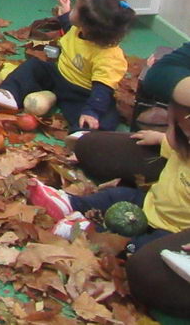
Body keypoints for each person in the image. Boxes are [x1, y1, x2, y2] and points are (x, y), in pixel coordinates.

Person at [67, 76, 190, 318]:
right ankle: (70, 204)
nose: (171, 136)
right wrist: (163, 139)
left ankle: (98, 238)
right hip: (151, 202)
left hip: (173, 229)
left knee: (139, 255)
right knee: (114, 194)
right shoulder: (179, 144)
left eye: (180, 132)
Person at [0, 0, 135, 132]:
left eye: (75, 9)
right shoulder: (79, 30)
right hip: (57, 74)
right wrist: (65, 14)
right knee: (35, 65)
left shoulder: (109, 57)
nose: (71, 10)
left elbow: (102, 90)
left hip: (82, 93)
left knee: (106, 116)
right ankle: (9, 95)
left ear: (86, 25)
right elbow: (69, 25)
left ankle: (85, 135)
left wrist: (91, 112)